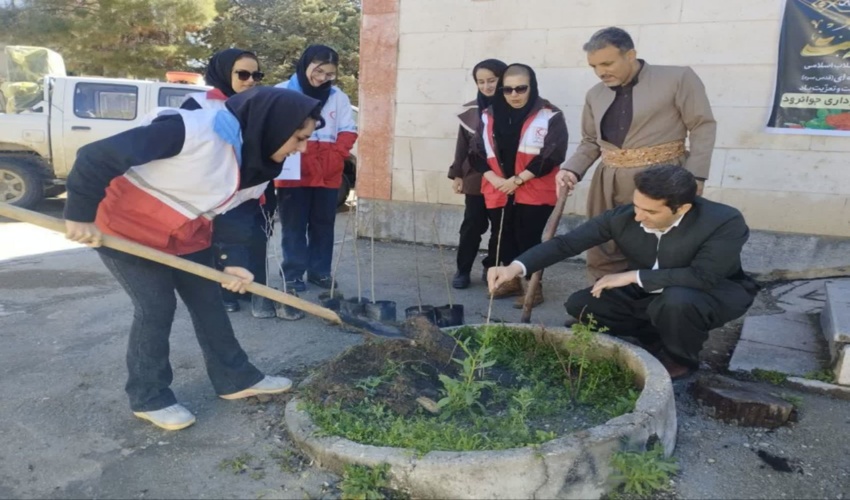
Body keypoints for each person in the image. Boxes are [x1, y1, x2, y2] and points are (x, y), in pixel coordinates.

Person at [63, 87, 324, 431]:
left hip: (186, 234)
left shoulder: (261, 164)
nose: (302, 147)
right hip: (125, 229)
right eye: (299, 137)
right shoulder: (190, 131)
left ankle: (235, 378)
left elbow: (237, 212)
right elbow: (96, 156)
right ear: (274, 127)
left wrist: (232, 260)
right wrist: (79, 215)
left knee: (208, 303)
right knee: (155, 307)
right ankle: (149, 396)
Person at [489, 165, 758, 380]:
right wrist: (515, 267)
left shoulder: (724, 221)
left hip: (709, 292)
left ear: (683, 208)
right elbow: (566, 243)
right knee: (581, 304)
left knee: (677, 301)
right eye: (637, 205)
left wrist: (632, 276)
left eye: (650, 211)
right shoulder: (624, 216)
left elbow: (703, 276)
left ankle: (679, 358)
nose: (638, 217)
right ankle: (653, 336)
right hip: (649, 289)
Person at [556, 27, 716, 283]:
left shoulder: (677, 78)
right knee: (603, 244)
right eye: (593, 66)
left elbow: (702, 125)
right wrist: (570, 169)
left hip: (662, 179)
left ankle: (653, 310)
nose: (600, 72)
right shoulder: (595, 94)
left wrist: (695, 176)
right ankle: (600, 309)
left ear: (630, 55)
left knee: (660, 245)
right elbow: (590, 141)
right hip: (607, 181)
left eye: (607, 63)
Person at [182, 48, 276, 318]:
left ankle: (258, 292)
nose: (250, 80)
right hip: (216, 189)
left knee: (257, 237)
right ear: (224, 73)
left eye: (256, 74)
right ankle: (225, 293)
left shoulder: (259, 103)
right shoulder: (198, 104)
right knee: (223, 241)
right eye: (242, 74)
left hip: (253, 186)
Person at [471, 63, 568, 308]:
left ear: (532, 87)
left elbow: (552, 155)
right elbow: (476, 152)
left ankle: (533, 288)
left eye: (521, 88)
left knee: (529, 240)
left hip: (533, 189)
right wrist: (497, 181)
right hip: (499, 189)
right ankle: (512, 280)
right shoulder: (488, 114)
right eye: (507, 89)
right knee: (504, 238)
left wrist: (517, 180)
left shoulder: (550, 115)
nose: (514, 95)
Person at [274, 45, 358, 292]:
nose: (322, 78)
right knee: (294, 225)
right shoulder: (282, 92)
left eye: (329, 74)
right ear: (306, 64)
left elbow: (348, 130)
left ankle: (320, 272)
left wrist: (336, 155)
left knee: (323, 225)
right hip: (293, 169)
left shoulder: (338, 97)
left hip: (327, 173)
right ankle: (293, 273)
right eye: (318, 70)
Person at [448, 58, 508, 289]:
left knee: (500, 227)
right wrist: (457, 175)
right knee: (472, 225)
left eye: (492, 80)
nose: (486, 86)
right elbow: (462, 146)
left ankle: (490, 267)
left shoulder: (513, 107)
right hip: (475, 177)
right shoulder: (471, 111)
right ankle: (462, 270)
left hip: (504, 180)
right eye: (481, 82)